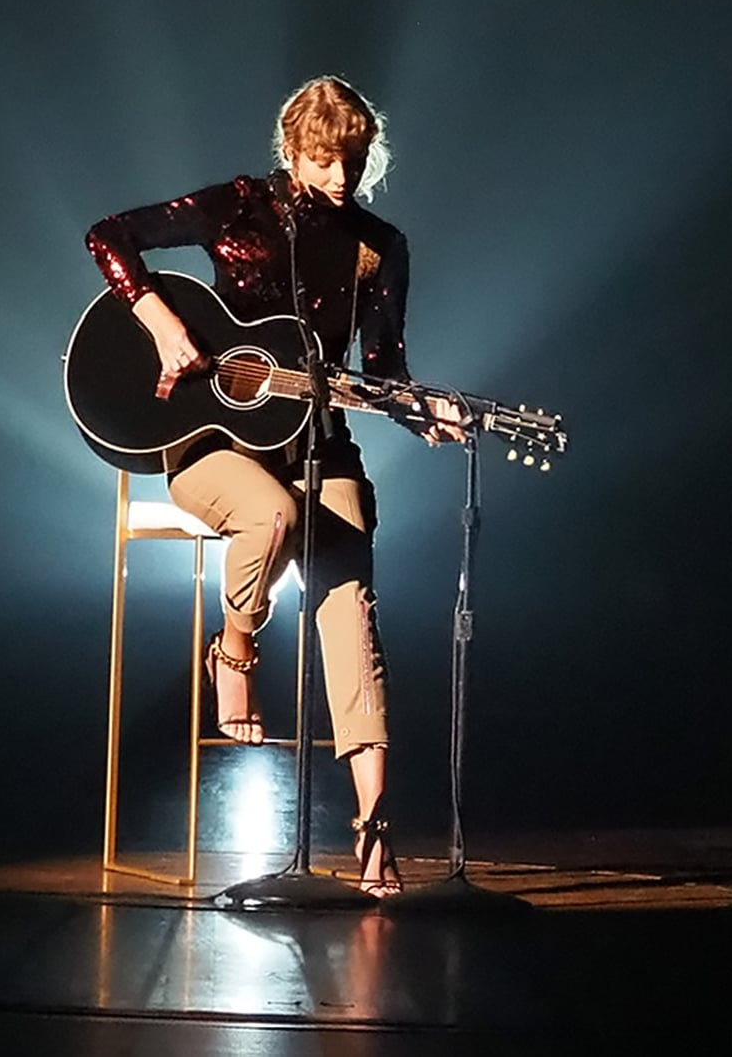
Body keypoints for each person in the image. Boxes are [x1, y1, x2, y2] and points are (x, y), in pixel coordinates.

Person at [84, 75, 458, 896]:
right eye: (324, 159)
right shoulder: (241, 205)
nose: (339, 177)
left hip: (318, 440)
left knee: (352, 614)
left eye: (352, 161)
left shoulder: (379, 244)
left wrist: (421, 406)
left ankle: (372, 833)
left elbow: (384, 368)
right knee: (271, 513)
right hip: (212, 443)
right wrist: (162, 320)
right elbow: (109, 233)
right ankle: (235, 648)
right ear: (292, 151)